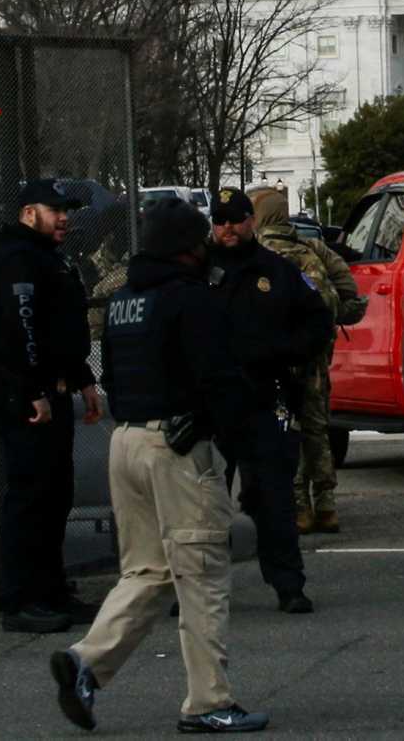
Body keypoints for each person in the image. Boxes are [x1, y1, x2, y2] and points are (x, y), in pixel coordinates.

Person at [51, 198, 268, 736]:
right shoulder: (191, 300)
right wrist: (232, 428)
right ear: (187, 248)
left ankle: (86, 663)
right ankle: (208, 702)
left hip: (127, 443)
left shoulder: (126, 299)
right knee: (202, 577)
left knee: (147, 570)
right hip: (177, 447)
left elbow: (120, 378)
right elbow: (220, 378)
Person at [208, 189, 334, 614]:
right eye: (220, 220)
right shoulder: (195, 273)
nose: (227, 228)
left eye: (236, 219)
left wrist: (285, 352)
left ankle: (288, 584)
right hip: (210, 407)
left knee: (274, 498)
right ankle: (197, 589)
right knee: (202, 504)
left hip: (264, 399)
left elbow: (318, 319)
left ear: (251, 222)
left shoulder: (276, 271)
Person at [0, 176, 100, 634]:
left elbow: (62, 327)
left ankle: (51, 590)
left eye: (66, 210)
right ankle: (22, 598)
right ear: (28, 212)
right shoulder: (16, 258)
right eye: (55, 210)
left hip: (52, 386)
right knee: (30, 495)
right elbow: (20, 328)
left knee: (55, 494)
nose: (64, 218)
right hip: (26, 394)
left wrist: (82, 377)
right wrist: (32, 389)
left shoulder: (48, 258)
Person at [249, 184, 362, 534]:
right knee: (316, 427)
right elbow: (347, 295)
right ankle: (327, 505)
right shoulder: (313, 249)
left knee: (286, 429)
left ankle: (299, 507)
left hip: (274, 358)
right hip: (315, 356)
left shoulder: (257, 254)